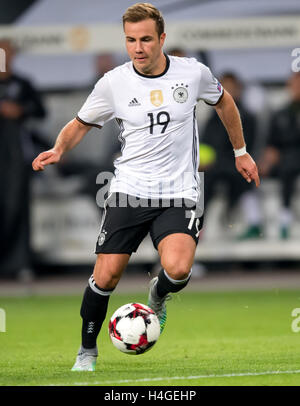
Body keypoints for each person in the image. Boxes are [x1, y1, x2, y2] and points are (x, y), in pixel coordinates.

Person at [32, 3, 260, 372]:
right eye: (131, 40)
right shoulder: (113, 82)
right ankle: (86, 352)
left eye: (146, 40)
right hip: (128, 190)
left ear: (162, 39)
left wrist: (241, 151)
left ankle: (157, 294)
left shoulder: (193, 73)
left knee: (179, 268)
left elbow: (225, 102)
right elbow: (80, 123)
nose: (138, 48)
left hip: (179, 191)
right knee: (105, 276)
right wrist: (58, 149)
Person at [0, 39, 46, 277]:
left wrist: (20, 110)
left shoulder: (23, 84)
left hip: (15, 157)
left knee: (16, 208)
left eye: (8, 54)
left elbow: (40, 110)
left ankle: (19, 265)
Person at [200, 72, 262, 239]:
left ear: (239, 89)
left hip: (234, 163)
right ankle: (196, 226)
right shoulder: (213, 118)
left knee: (245, 177)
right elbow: (205, 145)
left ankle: (254, 223)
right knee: (199, 180)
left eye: (230, 88)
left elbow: (247, 146)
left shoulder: (247, 117)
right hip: (215, 166)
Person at [259, 72, 300, 239]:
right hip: (285, 159)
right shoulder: (281, 113)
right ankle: (275, 219)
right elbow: (271, 144)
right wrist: (266, 160)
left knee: (289, 163)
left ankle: (285, 214)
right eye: (294, 85)